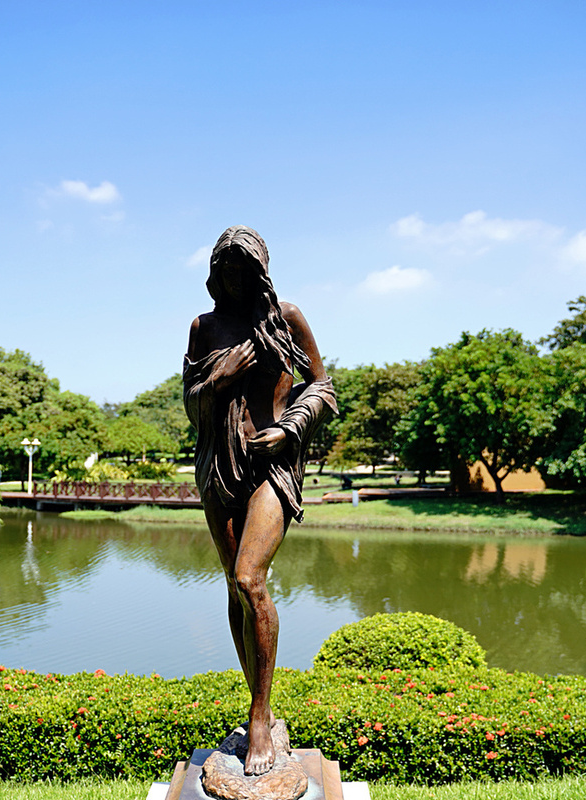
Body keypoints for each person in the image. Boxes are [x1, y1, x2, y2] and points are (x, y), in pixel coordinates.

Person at [183, 226, 336, 775]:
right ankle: (259, 709)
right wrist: (218, 380)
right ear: (214, 273)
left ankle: (260, 713)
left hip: (272, 462)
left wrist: (293, 427)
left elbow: (323, 386)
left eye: (244, 269)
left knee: (251, 579)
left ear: (260, 271)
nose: (234, 279)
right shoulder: (204, 328)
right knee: (232, 587)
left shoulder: (286, 318)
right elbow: (190, 402)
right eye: (225, 269)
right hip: (220, 467)